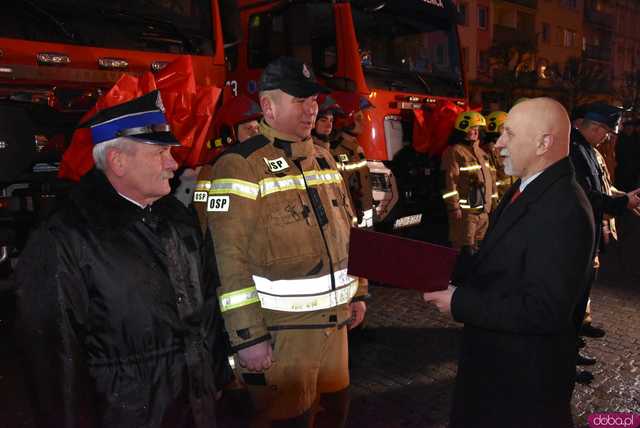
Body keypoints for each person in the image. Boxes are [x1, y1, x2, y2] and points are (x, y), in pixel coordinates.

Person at [15, 90, 228, 427]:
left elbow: (206, 311)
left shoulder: (177, 219)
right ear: (118, 160)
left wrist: (214, 381)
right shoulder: (65, 238)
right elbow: (55, 363)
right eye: (160, 152)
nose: (174, 163)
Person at [205, 57, 368, 427]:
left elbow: (349, 230)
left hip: (335, 330)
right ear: (268, 107)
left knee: (333, 415)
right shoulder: (240, 165)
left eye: (313, 100)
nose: (312, 109)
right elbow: (228, 259)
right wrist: (247, 337)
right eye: (299, 100)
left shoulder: (325, 159)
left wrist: (359, 291)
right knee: (286, 421)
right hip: (283, 337)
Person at [424, 98, 597, 427]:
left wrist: (460, 303)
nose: (499, 142)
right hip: (499, 373)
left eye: (510, 135)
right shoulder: (527, 187)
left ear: (544, 142)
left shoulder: (564, 208)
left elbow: (543, 310)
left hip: (519, 390)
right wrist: (439, 267)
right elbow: (499, 261)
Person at [569, 102, 640, 383]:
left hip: (587, 234)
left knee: (577, 300)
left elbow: (600, 188)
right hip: (575, 236)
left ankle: (570, 350)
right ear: (594, 127)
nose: (608, 138)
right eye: (606, 132)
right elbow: (585, 196)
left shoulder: (587, 150)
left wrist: (623, 197)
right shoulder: (574, 152)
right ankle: (562, 362)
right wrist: (622, 202)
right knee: (569, 303)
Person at [193, 95, 262, 234]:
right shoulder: (211, 171)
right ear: (228, 135)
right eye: (249, 129)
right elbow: (203, 221)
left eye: (258, 128)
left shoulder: (263, 164)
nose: (256, 134)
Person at [441, 111, 496, 253]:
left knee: (480, 252)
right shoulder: (455, 152)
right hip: (466, 215)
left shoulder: (483, 154)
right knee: (464, 252)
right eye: (472, 128)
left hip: (484, 213)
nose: (475, 132)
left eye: (477, 129)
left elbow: (491, 182)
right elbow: (450, 182)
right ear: (463, 128)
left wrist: (494, 206)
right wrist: (454, 208)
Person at [327, 91, 375, 228]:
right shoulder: (334, 151)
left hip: (365, 228)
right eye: (359, 118)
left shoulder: (355, 149)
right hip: (350, 229)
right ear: (345, 120)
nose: (364, 121)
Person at [483, 110, 515, 201]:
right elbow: (490, 181)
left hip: (512, 199)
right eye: (504, 127)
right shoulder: (489, 150)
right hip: (500, 201)